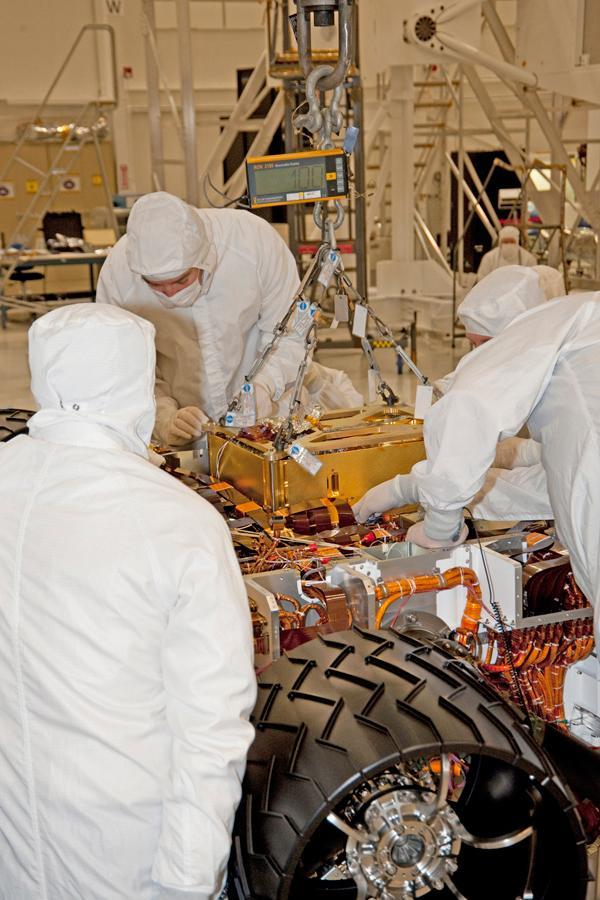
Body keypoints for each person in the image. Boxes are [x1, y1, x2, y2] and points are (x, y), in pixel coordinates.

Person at [0, 303, 256, 899]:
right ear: (136, 386)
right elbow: (211, 729)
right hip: (129, 854)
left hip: (16, 838)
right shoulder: (177, 520)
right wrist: (190, 883)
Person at [360, 289, 600, 643]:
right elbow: (554, 485)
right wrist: (408, 488)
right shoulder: (586, 328)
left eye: (480, 345)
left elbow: (468, 408)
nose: (476, 356)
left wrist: (440, 524)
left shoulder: (550, 327)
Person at [96, 191, 362, 446]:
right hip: (189, 431)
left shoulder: (254, 244)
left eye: (180, 280)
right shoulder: (118, 276)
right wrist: (164, 416)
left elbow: (293, 336)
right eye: (155, 285)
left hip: (271, 423)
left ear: (203, 258)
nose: (170, 293)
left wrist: (265, 387)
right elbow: (129, 371)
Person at [354, 266, 562, 525]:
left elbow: (554, 488)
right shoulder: (552, 363)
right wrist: (514, 454)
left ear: (516, 338)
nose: (477, 358)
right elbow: (553, 455)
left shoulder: (571, 381)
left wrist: (418, 491)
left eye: (486, 345)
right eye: (472, 345)